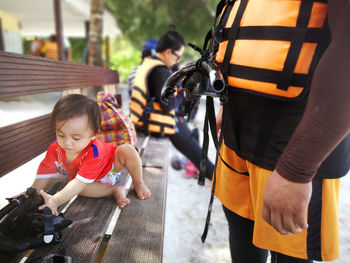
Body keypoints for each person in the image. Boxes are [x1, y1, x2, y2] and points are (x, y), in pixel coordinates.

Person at [211, 0, 350, 262]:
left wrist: (296, 169)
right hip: (235, 126)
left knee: (288, 248)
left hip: (295, 137)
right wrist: (225, 103)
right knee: (239, 223)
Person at [32, 94, 151, 215]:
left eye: (76, 138)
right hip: (86, 181)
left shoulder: (94, 151)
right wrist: (31, 192)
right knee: (75, 187)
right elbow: (45, 172)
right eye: (61, 135)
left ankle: (138, 183)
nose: (67, 143)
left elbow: (79, 182)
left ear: (93, 134)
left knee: (128, 150)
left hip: (110, 167)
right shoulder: (55, 148)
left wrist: (56, 200)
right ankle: (114, 190)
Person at [129, 30, 214, 180]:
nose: (177, 60)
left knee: (193, 141)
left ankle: (206, 171)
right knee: (197, 153)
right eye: (178, 56)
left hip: (145, 122)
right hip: (151, 125)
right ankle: (217, 178)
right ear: (168, 52)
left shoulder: (152, 65)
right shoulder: (160, 71)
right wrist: (184, 93)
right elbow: (167, 106)